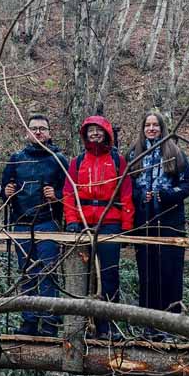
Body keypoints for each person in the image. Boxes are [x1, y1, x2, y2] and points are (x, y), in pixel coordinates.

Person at [62, 116, 134, 341]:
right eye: (90, 130)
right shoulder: (77, 161)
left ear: (106, 133)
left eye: (98, 130)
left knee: (109, 274)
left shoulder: (117, 160)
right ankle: (79, 327)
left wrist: (126, 227)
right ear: (85, 134)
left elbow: (127, 194)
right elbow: (68, 193)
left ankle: (108, 326)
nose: (94, 134)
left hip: (110, 221)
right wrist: (72, 219)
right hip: (82, 222)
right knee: (80, 275)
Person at [128, 112, 189, 339]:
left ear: (162, 128)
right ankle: (148, 324)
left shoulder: (174, 152)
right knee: (147, 274)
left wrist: (166, 195)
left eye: (155, 125)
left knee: (170, 273)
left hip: (170, 221)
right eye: (147, 125)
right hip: (143, 222)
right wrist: (140, 196)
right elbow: (127, 186)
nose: (152, 128)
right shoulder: (134, 153)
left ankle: (172, 325)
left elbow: (188, 184)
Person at [1, 114, 70, 336]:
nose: (38, 132)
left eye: (42, 128)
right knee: (27, 273)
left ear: (50, 133)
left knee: (48, 272)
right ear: (27, 132)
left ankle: (50, 322)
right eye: (34, 128)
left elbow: (71, 193)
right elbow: (5, 189)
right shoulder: (16, 159)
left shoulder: (58, 160)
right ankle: (29, 321)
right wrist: (7, 192)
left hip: (48, 223)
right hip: (21, 223)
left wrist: (57, 195)